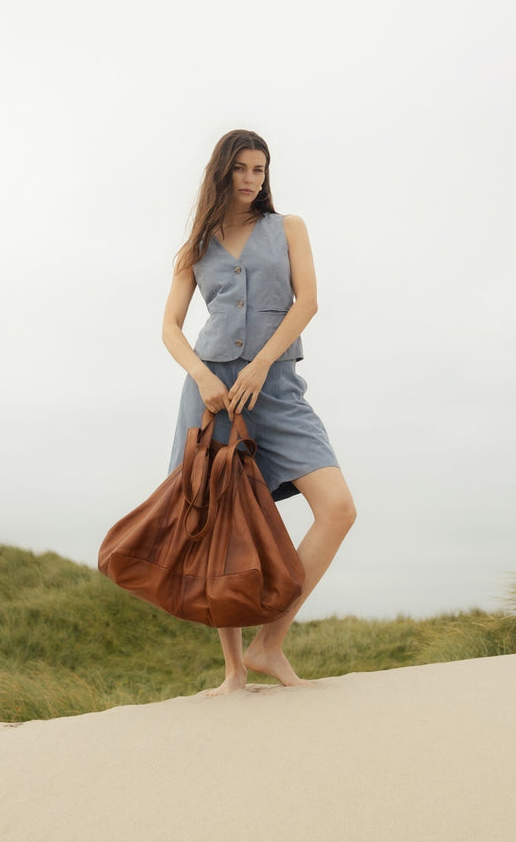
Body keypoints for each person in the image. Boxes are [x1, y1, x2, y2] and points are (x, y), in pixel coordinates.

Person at [161, 129, 357, 695]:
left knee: (338, 509)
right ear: (221, 172)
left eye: (259, 169)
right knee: (221, 526)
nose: (251, 179)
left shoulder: (288, 227)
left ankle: (269, 644)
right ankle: (234, 672)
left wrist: (262, 364)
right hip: (213, 394)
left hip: (275, 387)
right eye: (241, 168)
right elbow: (170, 327)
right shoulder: (195, 247)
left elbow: (307, 302)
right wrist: (202, 376)